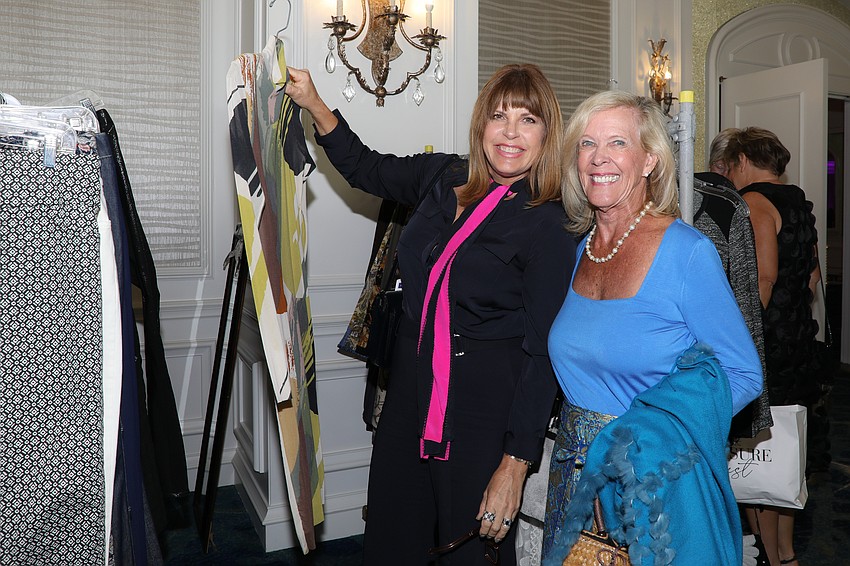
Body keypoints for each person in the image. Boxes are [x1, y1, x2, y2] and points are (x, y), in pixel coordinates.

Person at [285, 63, 577, 565]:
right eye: (499, 116)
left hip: (483, 409)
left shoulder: (548, 221)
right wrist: (314, 101)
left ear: (547, 134)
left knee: (466, 551)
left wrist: (515, 462)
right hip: (412, 390)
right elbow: (367, 168)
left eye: (527, 120)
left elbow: (543, 352)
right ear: (480, 123)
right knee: (394, 536)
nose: (509, 132)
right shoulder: (445, 175)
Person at [541, 90, 763, 562]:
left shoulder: (687, 252)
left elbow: (744, 374)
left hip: (651, 485)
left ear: (650, 161)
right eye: (586, 144)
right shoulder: (584, 249)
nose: (598, 158)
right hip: (573, 480)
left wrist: (651, 437)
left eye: (617, 143)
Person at [721, 127, 822, 566]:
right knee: (784, 454)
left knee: (757, 451)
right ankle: (785, 553)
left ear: (742, 160)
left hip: (769, 344)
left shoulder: (755, 202)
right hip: (799, 340)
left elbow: (762, 278)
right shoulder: (799, 201)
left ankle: (770, 554)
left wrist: (740, 337)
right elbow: (814, 278)